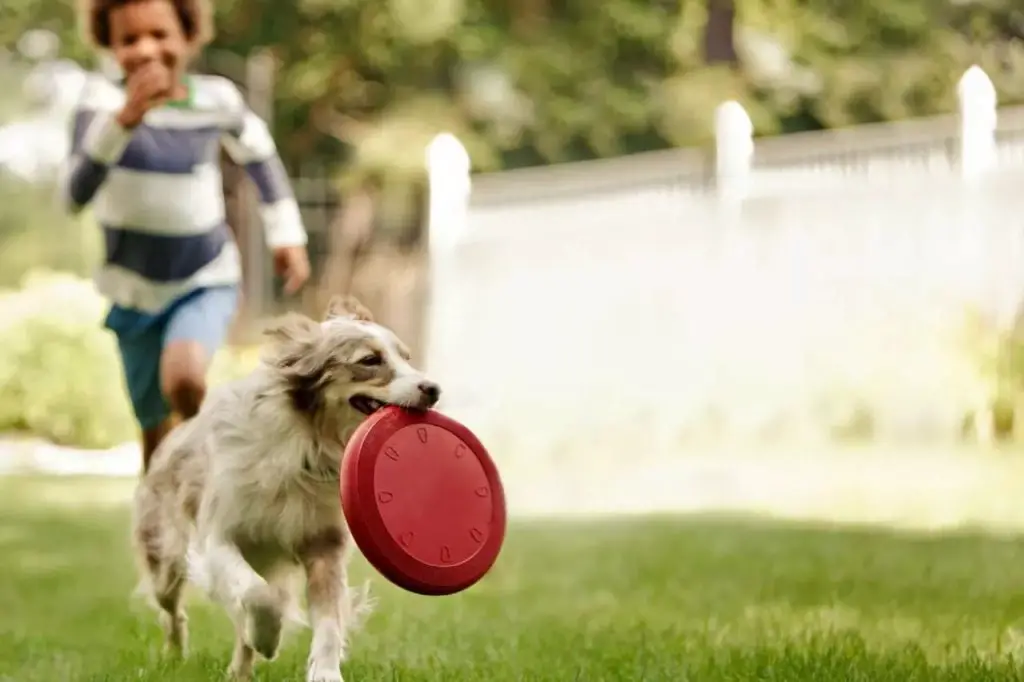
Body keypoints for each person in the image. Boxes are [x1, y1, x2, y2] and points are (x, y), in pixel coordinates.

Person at [61, 0, 311, 472]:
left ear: (189, 36)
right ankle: (164, 506)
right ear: (109, 46)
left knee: (184, 379)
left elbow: (260, 159)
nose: (146, 50)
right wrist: (123, 121)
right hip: (132, 290)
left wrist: (287, 236)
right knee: (153, 435)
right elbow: (74, 194)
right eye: (128, 40)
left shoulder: (216, 100)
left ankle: (203, 468)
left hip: (204, 274)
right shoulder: (99, 103)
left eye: (160, 34)